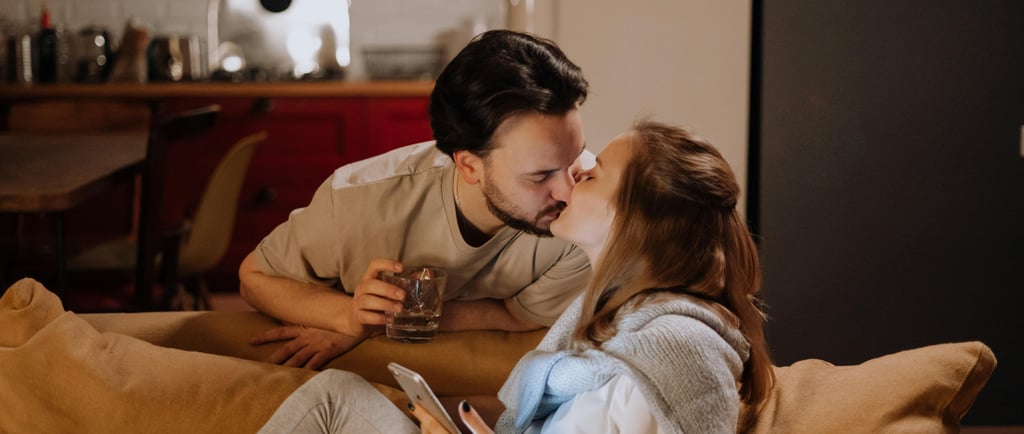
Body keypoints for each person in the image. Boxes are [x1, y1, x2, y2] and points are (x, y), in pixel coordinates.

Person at [260, 120, 776, 433]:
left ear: (631, 216)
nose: (570, 179)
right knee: (339, 395)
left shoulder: (675, 349)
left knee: (331, 401)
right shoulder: (617, 317)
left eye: (589, 173)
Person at [238, 30, 594, 369]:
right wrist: (346, 317)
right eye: (540, 175)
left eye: (575, 157)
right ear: (470, 166)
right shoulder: (358, 202)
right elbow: (255, 276)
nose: (569, 192)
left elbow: (517, 315)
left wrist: (381, 323)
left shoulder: (589, 220)